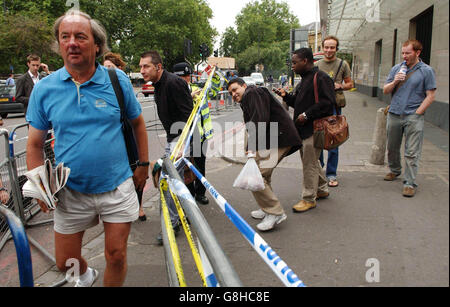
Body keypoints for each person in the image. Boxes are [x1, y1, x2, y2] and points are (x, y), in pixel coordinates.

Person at [26, 10, 149, 287]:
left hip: (116, 186)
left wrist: (144, 164)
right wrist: (40, 187)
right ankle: (86, 275)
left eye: (80, 37)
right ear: (59, 45)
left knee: (115, 255)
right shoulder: (44, 89)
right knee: (64, 262)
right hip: (71, 191)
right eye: (65, 37)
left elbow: (138, 124)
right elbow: (34, 144)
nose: (72, 43)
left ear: (96, 45)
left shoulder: (117, 81)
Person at [228, 77, 302, 231]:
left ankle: (275, 212)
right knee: (263, 175)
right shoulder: (249, 96)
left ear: (244, 85)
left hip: (280, 138)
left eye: (235, 89)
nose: (233, 94)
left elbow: (260, 119)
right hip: (274, 139)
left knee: (257, 176)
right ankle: (266, 207)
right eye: (230, 93)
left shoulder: (253, 92)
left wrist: (253, 146)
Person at [139, 51, 193, 245]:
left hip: (180, 139)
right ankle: (181, 214)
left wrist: (182, 145)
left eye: (146, 66)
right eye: (140, 67)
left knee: (166, 180)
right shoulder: (159, 84)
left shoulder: (173, 83)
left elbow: (189, 116)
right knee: (171, 181)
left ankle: (172, 222)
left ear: (158, 67)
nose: (142, 71)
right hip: (174, 138)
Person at [273, 48, 335, 213]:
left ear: (305, 61)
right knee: (312, 161)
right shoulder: (305, 80)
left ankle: (309, 198)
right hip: (304, 129)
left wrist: (307, 115)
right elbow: (298, 103)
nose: (292, 66)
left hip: (314, 129)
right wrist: (286, 96)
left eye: (295, 62)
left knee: (309, 164)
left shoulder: (321, 78)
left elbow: (328, 103)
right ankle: (321, 188)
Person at [383, 39, 436, 197]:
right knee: (392, 147)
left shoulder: (426, 71)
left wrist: (418, 113)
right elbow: (386, 90)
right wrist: (395, 81)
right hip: (394, 114)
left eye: (408, 53)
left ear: (417, 52)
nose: (404, 56)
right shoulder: (396, 68)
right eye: (403, 53)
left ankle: (410, 182)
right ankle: (395, 170)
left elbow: (431, 95)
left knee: (412, 151)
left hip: (413, 115)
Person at [102, 53, 146, 222]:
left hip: (128, 131)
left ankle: (139, 205)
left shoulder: (122, 83)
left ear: (119, 69)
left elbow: (137, 119)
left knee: (135, 167)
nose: (106, 71)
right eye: (104, 67)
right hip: (114, 136)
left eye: (110, 67)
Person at [173, 62, 213, 205]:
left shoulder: (198, 89)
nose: (186, 79)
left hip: (200, 136)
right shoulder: (174, 92)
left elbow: (214, 90)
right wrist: (189, 97)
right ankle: (189, 194)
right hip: (183, 137)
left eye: (187, 76)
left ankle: (200, 193)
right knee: (186, 167)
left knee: (200, 165)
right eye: (182, 77)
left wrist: (211, 71)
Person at [316, 35, 353, 188]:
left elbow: (350, 84)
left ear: (336, 49)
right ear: (322, 48)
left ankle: (331, 174)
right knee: (318, 139)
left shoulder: (343, 64)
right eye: (326, 47)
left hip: (334, 106)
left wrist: (340, 86)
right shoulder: (317, 65)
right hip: (319, 107)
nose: (329, 50)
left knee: (333, 139)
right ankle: (319, 170)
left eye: (332, 47)